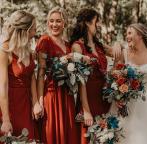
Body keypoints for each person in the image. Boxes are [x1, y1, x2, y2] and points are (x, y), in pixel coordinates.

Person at [70, 7, 121, 144]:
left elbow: (120, 55)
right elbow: (81, 82)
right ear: (87, 23)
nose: (98, 25)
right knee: (88, 137)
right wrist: (86, 110)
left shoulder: (99, 45)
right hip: (89, 98)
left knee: (104, 137)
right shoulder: (77, 46)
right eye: (96, 22)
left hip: (104, 98)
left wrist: (117, 44)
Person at [36, 7, 86, 144]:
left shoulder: (68, 45)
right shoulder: (44, 41)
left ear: (64, 23)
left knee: (69, 136)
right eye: (51, 21)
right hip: (51, 97)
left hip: (67, 97)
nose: (54, 24)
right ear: (47, 23)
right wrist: (39, 102)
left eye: (58, 21)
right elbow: (40, 74)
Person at [109, 23, 147, 144]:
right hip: (126, 103)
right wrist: (117, 96)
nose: (126, 36)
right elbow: (114, 76)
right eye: (126, 34)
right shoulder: (124, 53)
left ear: (139, 35)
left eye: (129, 33)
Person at [0, 10, 42, 139]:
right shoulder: (5, 51)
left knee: (30, 138)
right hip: (11, 104)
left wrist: (35, 102)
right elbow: (2, 86)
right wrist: (6, 119)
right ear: (25, 30)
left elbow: (32, 76)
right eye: (33, 29)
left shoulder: (28, 50)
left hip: (27, 101)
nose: (35, 33)